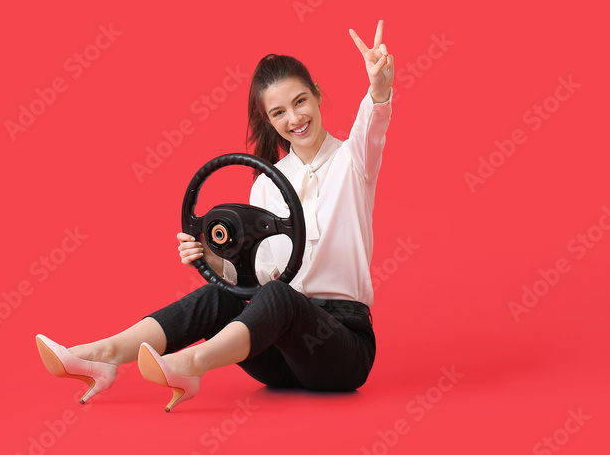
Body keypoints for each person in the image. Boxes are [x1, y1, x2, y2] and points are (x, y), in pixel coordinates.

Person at [35, 20, 395, 412]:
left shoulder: (353, 160)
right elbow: (258, 276)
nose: (294, 118)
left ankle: (193, 365)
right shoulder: (267, 186)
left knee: (280, 296)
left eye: (300, 102)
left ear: (317, 95)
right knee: (222, 293)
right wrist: (209, 257)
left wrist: (379, 86)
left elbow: (372, 125)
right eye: (278, 112)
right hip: (281, 354)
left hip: (341, 349)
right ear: (269, 120)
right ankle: (103, 355)